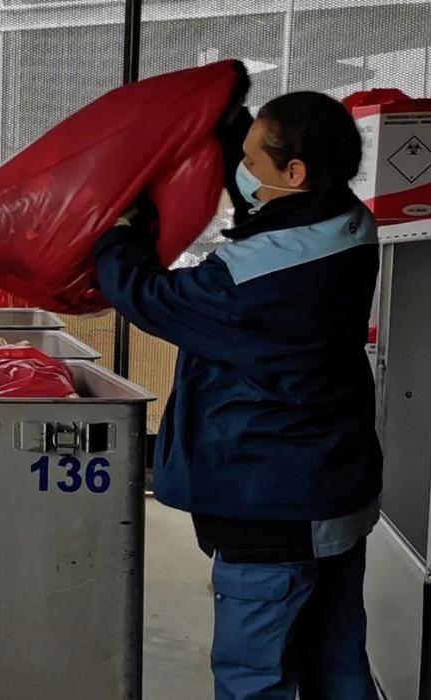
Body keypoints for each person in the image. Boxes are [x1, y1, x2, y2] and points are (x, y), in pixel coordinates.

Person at [93, 91, 382, 699]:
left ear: (295, 173)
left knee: (257, 675)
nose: (242, 171)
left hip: (272, 501)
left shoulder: (258, 280)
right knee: (336, 661)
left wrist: (115, 237)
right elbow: (264, 184)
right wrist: (228, 124)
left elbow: (151, 298)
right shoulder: (348, 221)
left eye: (253, 159)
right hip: (333, 484)